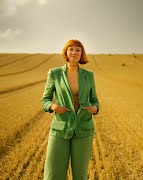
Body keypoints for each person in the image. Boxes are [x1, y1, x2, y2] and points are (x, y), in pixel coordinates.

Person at [41, 39, 100, 180]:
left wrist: (94, 108)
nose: (74, 52)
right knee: (53, 174)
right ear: (66, 52)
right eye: (71, 49)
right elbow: (45, 100)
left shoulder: (89, 75)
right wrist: (54, 106)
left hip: (83, 129)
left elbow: (95, 100)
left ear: (81, 54)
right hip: (60, 128)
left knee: (80, 175)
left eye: (78, 50)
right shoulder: (54, 74)